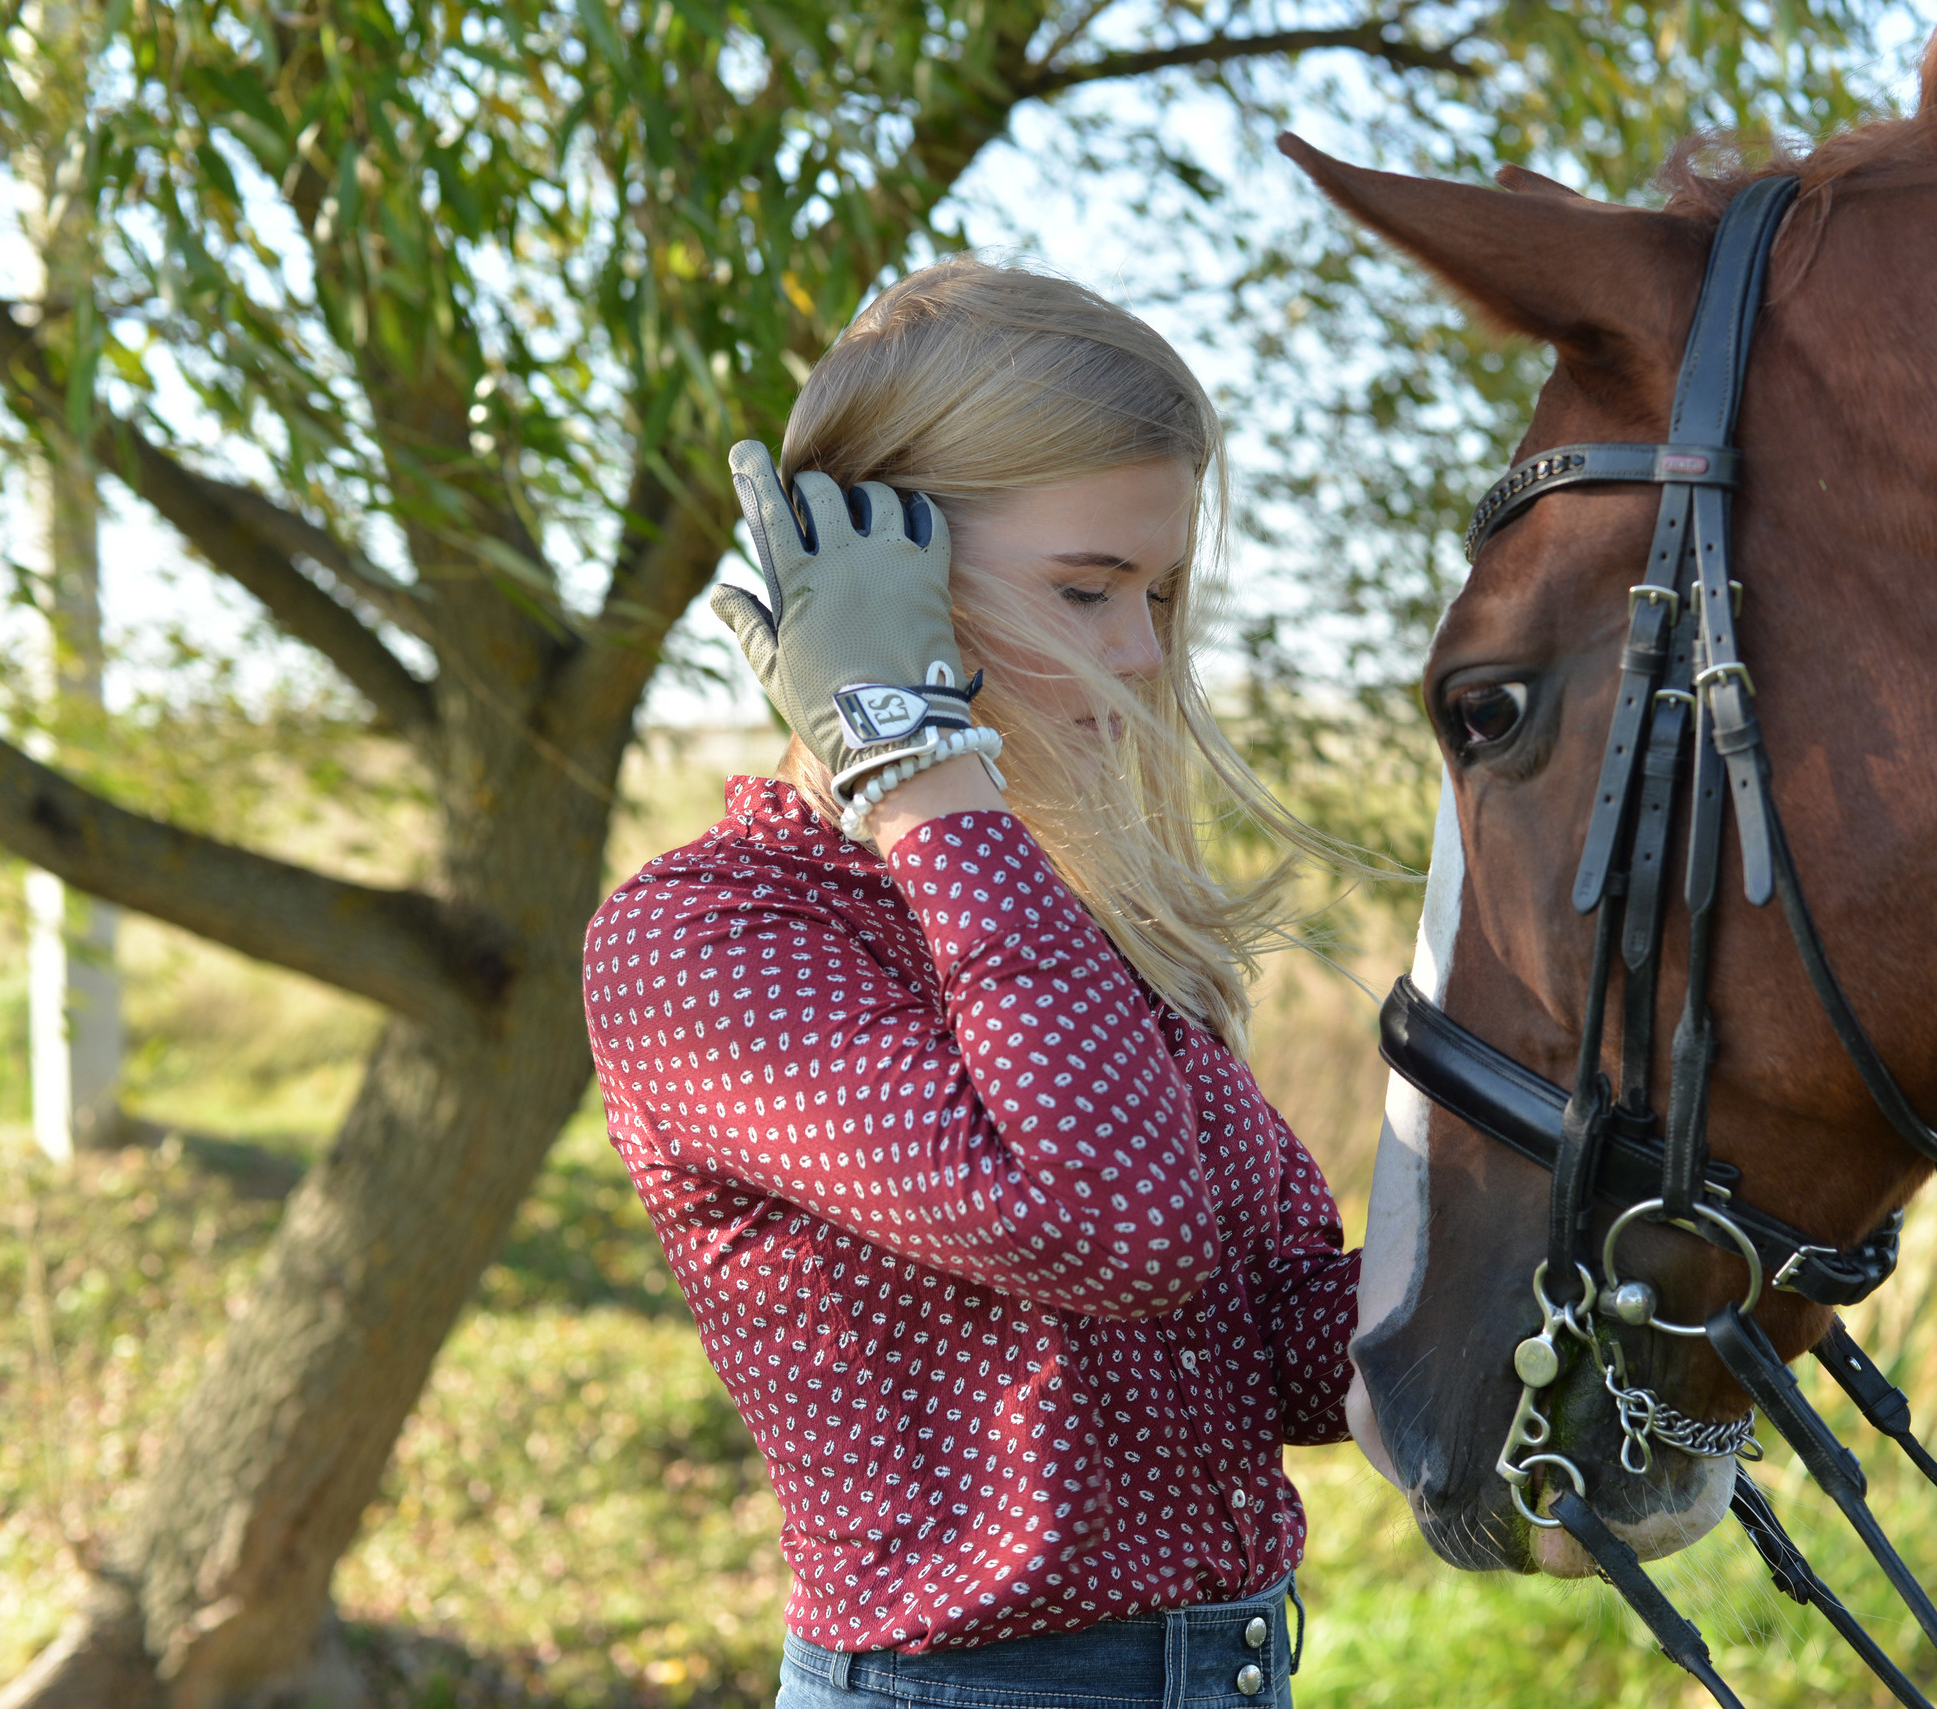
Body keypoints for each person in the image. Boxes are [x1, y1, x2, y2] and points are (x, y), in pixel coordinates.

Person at [579, 257, 1361, 1709]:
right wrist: (905, 740)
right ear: (882, 584)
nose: (1139, 648)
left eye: (1162, 591)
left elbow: (1266, 1317)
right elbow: (1104, 1220)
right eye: (1088, 587)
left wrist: (1536, 1318)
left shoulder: (1063, 916)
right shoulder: (706, 941)